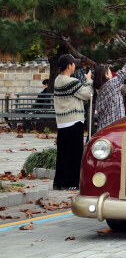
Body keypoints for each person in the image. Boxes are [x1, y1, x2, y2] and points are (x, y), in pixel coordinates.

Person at [53, 54, 93, 191]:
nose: (75, 66)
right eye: (74, 64)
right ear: (69, 66)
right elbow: (87, 94)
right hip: (74, 120)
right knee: (74, 155)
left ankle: (59, 182)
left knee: (63, 154)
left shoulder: (58, 80)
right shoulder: (71, 81)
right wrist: (88, 81)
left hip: (62, 121)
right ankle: (71, 183)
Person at [95, 48, 126, 131]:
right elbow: (125, 70)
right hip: (114, 126)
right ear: (106, 75)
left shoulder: (100, 89)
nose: (112, 74)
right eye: (110, 72)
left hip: (103, 126)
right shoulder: (111, 84)